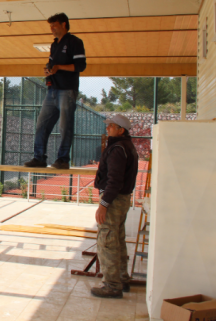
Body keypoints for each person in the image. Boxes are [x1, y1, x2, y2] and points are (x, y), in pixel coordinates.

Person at [24, 13, 86, 169]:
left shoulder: (75, 42)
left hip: (67, 90)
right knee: (41, 124)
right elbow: (51, 63)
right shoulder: (54, 45)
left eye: (54, 25)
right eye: (50, 26)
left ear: (64, 24)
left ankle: (63, 160)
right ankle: (39, 158)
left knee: (65, 126)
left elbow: (80, 66)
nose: (51, 28)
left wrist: (59, 67)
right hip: (52, 90)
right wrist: (48, 70)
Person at [91, 114, 139, 299]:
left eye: (112, 126)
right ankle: (121, 279)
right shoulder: (126, 146)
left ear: (121, 130)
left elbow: (114, 181)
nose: (108, 128)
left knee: (108, 242)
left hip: (114, 199)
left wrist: (104, 204)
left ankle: (112, 285)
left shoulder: (118, 149)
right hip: (121, 199)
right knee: (117, 240)